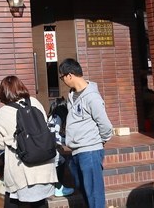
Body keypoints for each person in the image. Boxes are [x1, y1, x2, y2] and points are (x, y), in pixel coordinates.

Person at [0, 75, 57, 207]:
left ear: (3, 93)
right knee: (41, 204)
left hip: (22, 172)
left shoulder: (2, 113)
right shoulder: (35, 102)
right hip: (45, 169)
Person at [58, 59, 113, 208]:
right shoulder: (72, 95)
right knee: (83, 189)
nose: (62, 81)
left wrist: (98, 142)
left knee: (94, 194)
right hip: (76, 151)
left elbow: (106, 126)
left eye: (62, 77)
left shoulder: (92, 97)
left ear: (70, 75)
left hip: (90, 151)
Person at [46, 97, 74, 197]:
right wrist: (65, 141)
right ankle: (58, 187)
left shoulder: (51, 116)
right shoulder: (57, 117)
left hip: (48, 147)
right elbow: (55, 135)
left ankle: (57, 186)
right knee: (60, 160)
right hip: (53, 149)